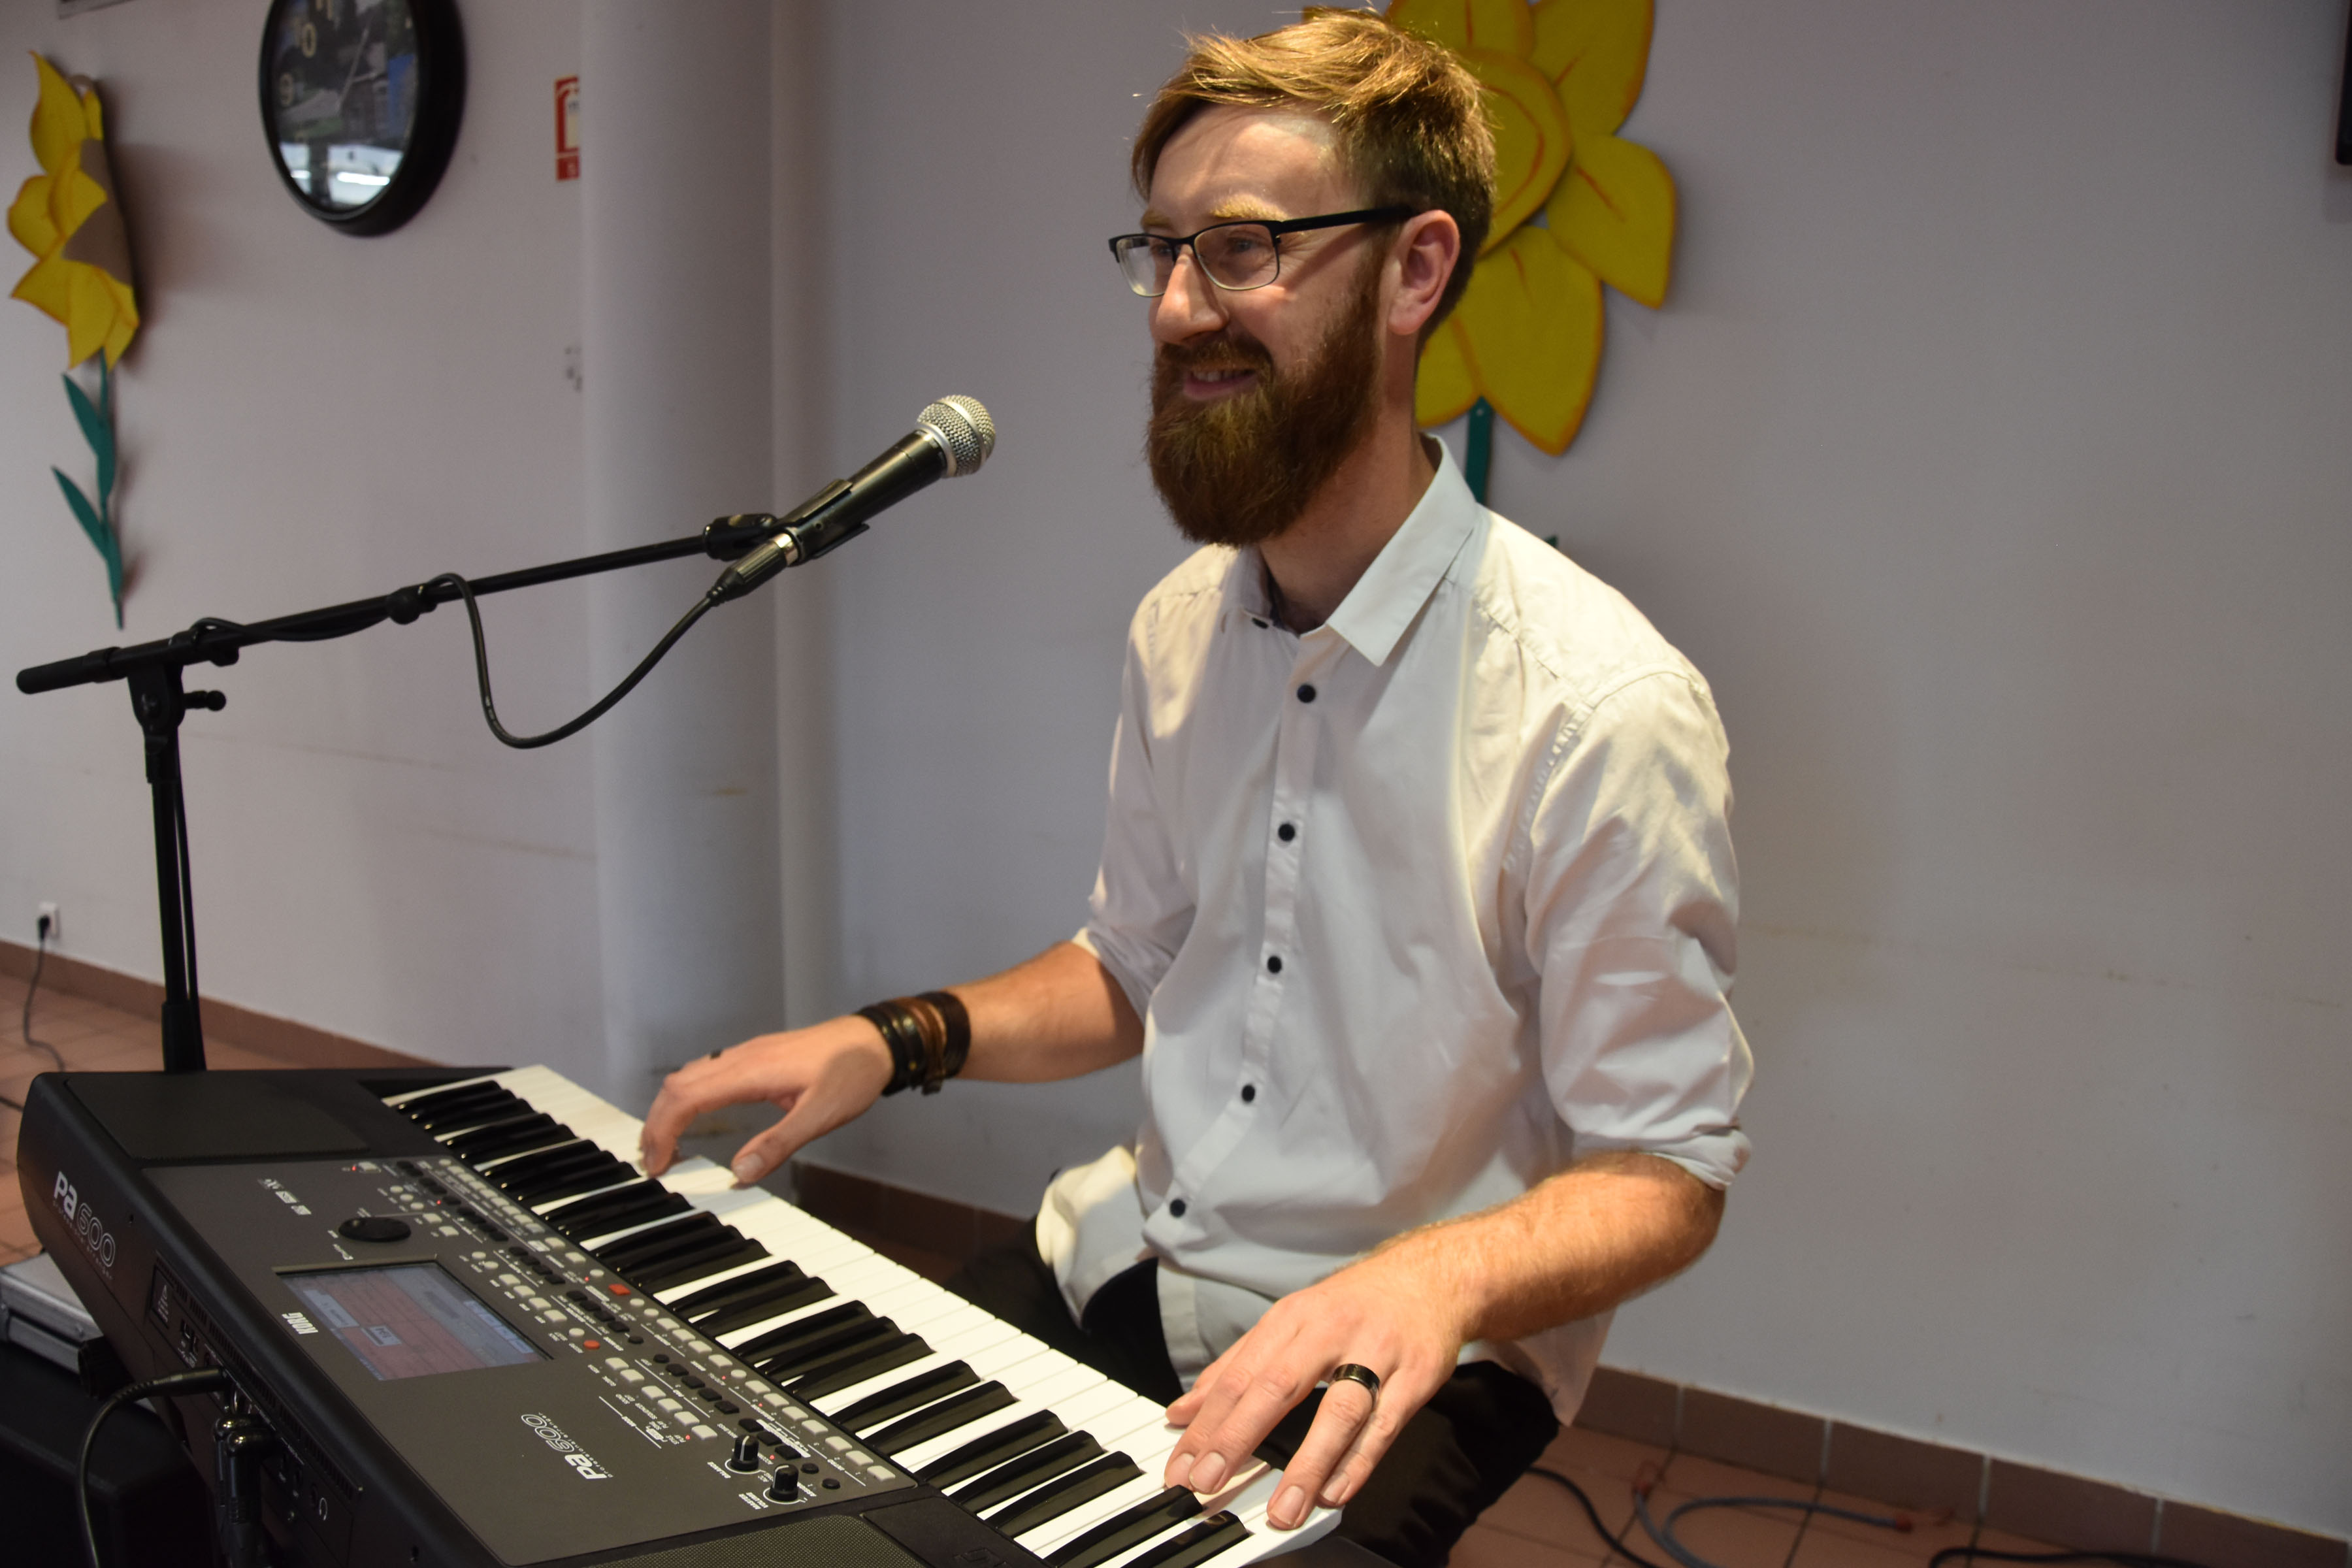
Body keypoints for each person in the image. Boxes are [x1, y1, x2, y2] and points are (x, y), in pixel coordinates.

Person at [641, 12, 1752, 1564]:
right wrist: (890, 1039)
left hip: (1405, 1346)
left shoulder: (1599, 705)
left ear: (1415, 272)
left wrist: (1435, 1277)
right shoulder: (1182, 624)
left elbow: (1670, 1169)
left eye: (1240, 250)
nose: (1175, 309)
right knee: (817, 1514)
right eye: (1160, 252)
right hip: (1130, 1253)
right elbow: (1133, 964)